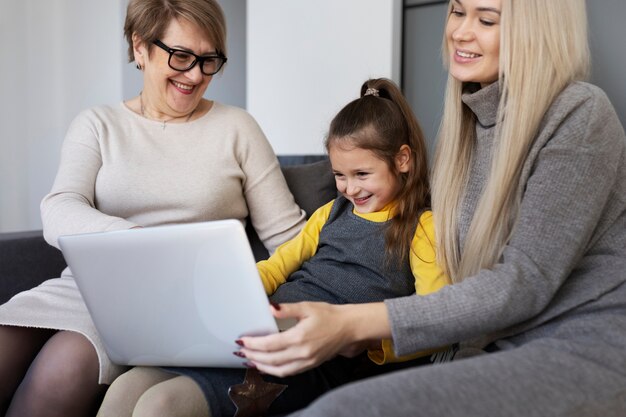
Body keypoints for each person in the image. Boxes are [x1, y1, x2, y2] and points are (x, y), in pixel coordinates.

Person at [235, 0, 626, 416]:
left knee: (344, 409)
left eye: (487, 19)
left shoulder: (580, 114)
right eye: (457, 12)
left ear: (537, 31)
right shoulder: (467, 128)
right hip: (483, 347)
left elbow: (524, 282)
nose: (460, 31)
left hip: (576, 350)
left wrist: (353, 324)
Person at [0, 0, 308, 416]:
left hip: (171, 301)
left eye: (209, 60)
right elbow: (60, 207)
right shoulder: (98, 124)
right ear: (140, 46)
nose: (196, 75)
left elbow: (290, 237)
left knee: (62, 368)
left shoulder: (237, 128)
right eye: (181, 56)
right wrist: (134, 240)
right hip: (85, 285)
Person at [96, 78, 450, 417]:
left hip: (319, 354)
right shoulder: (330, 213)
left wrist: (373, 343)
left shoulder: (423, 227)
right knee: (126, 387)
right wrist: (236, 292)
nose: (349, 189)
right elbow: (278, 265)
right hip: (269, 326)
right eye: (340, 175)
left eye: (362, 174)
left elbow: (435, 318)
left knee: (160, 405)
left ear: (403, 160)